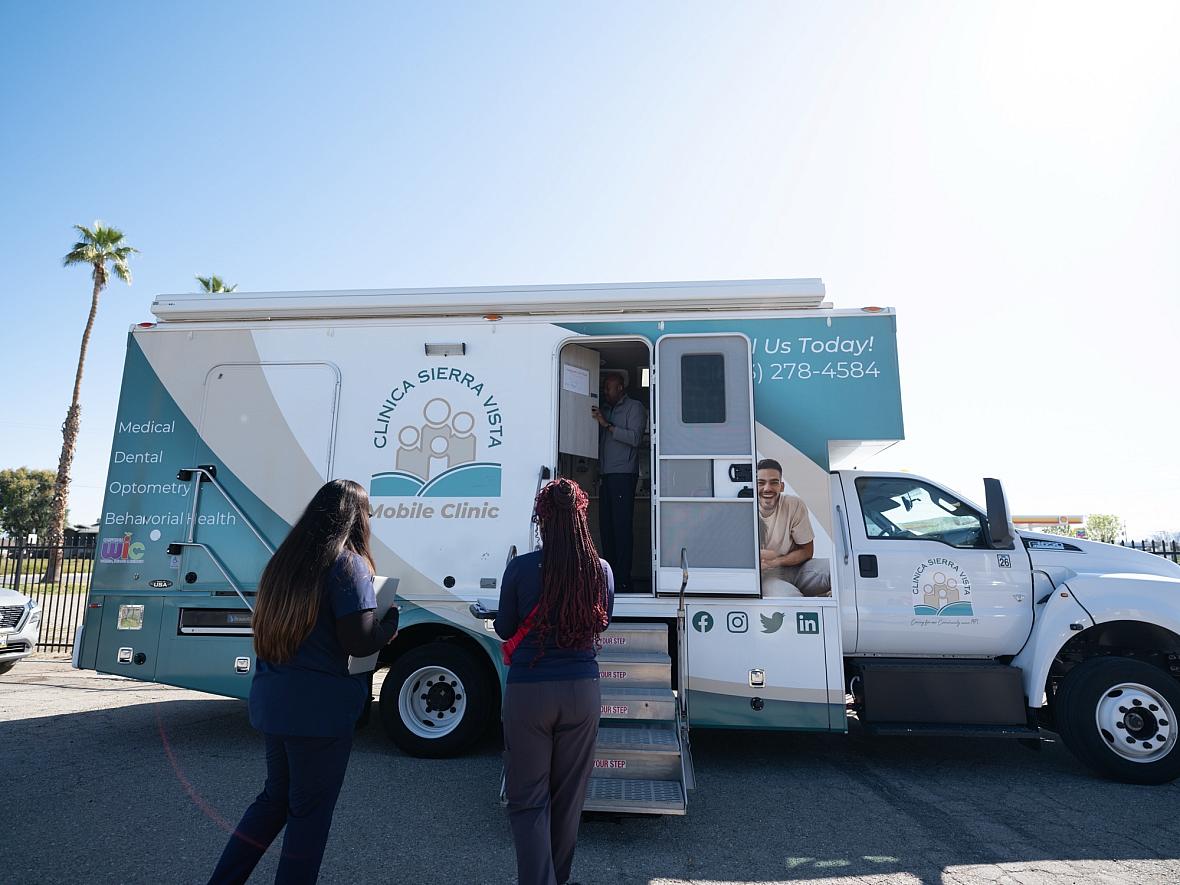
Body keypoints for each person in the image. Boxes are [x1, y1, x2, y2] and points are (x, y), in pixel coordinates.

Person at [208, 480, 399, 885]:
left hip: (274, 701)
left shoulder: (284, 562)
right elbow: (359, 640)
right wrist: (389, 625)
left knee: (274, 800)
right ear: (356, 518)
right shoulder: (347, 565)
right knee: (308, 819)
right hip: (319, 713)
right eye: (368, 514)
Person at [495, 478, 615, 885]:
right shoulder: (601, 571)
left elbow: (506, 626)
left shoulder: (521, 567)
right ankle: (557, 879)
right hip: (581, 689)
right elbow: (602, 621)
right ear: (583, 517)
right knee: (568, 799)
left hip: (530, 689)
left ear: (541, 521)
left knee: (527, 800)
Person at [591, 372, 645, 593]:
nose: (606, 391)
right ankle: (609, 576)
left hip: (623, 475)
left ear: (621, 387)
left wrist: (607, 425)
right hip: (606, 476)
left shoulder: (635, 408)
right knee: (607, 527)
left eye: (609, 388)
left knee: (621, 528)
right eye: (604, 388)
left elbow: (635, 439)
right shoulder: (607, 408)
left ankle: (623, 579)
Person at [756, 459, 832, 598]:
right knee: (791, 598)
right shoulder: (744, 509)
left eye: (774, 482)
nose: (767, 488)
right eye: (761, 483)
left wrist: (776, 560)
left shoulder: (794, 504)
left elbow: (807, 551)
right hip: (764, 577)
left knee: (837, 570)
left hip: (794, 568)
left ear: (782, 486)